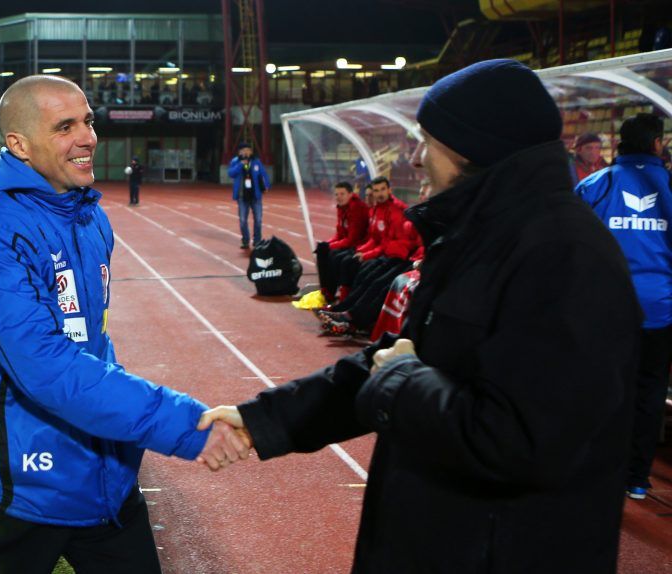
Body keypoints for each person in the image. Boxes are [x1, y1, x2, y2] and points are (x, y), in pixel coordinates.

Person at [198, 59, 641, 573]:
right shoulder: (480, 238)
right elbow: (394, 361)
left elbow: (523, 439)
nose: (415, 155)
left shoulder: (566, 257)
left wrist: (401, 378)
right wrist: (263, 421)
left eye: (426, 141)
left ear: (468, 148)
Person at [0, 75, 249, 574]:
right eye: (65, 126)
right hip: (16, 488)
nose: (87, 136)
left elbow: (91, 341)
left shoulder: (88, 217)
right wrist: (182, 425)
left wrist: (120, 440)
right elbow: (48, 368)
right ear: (19, 144)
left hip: (102, 476)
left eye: (87, 120)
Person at [575, 112, 672, 501]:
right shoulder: (668, 187)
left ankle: (597, 468)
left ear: (619, 146)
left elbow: (574, 246)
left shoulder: (595, 185)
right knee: (649, 392)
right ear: (656, 144)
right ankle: (636, 478)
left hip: (606, 308)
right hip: (660, 310)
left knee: (602, 386)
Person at [315, 181, 369, 303]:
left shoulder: (357, 208)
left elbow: (352, 239)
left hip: (358, 245)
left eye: (342, 194)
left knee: (336, 256)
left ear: (350, 194)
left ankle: (341, 294)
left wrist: (330, 246)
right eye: (336, 194)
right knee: (322, 250)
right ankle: (326, 290)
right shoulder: (342, 208)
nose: (338, 197)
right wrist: (327, 244)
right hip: (349, 243)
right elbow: (339, 234)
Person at [227, 142, 270, 249]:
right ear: (239, 152)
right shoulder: (235, 161)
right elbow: (231, 173)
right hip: (242, 196)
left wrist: (266, 186)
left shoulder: (256, 162)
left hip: (255, 195)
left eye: (248, 150)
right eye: (243, 150)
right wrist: (241, 165)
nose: (246, 152)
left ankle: (257, 240)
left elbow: (263, 174)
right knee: (242, 220)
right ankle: (245, 240)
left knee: (258, 219)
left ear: (251, 151)